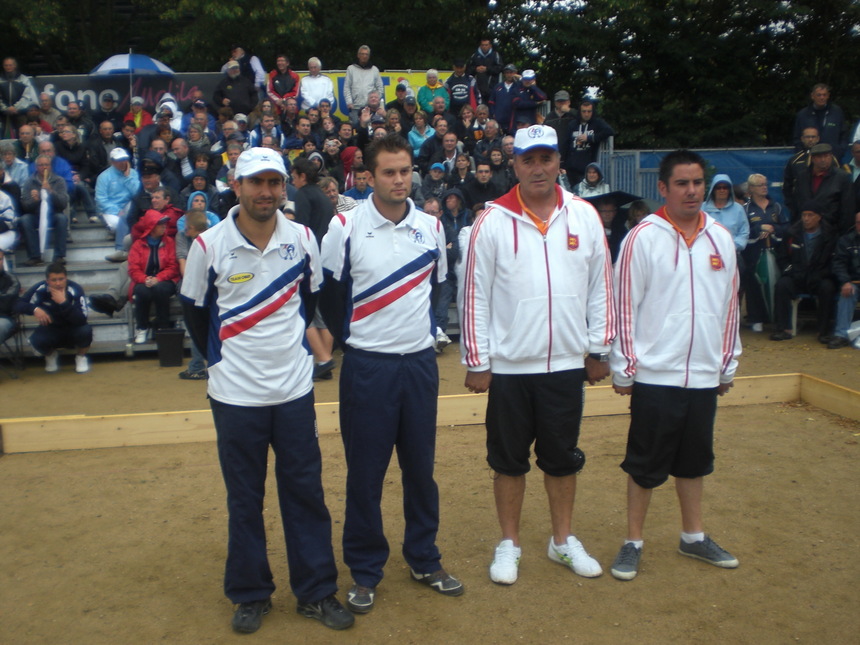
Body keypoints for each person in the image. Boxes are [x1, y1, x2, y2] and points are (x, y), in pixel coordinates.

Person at [181, 147, 353, 634]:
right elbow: (194, 311)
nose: (266, 192)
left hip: (294, 389)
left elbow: (310, 300)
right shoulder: (209, 245)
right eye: (256, 182)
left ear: (285, 187)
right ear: (236, 186)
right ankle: (251, 593)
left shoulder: (302, 238)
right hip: (235, 396)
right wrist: (220, 361)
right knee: (244, 498)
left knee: (305, 493)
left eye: (274, 182)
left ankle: (316, 592)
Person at [459, 124, 614, 585]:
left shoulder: (584, 215)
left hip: (566, 364)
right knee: (508, 461)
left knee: (561, 458)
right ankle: (509, 543)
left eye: (546, 158)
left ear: (558, 162)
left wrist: (599, 348)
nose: (539, 167)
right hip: (508, 368)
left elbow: (600, 288)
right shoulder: (490, 220)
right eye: (529, 159)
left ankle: (562, 540)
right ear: (516, 164)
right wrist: (477, 360)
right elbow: (474, 297)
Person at [320, 134, 463, 614]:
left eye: (405, 171)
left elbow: (437, 288)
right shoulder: (344, 226)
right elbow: (330, 296)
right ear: (369, 176)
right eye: (388, 172)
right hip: (368, 368)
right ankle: (364, 571)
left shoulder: (431, 227)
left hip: (420, 367)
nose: (399, 180)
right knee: (366, 475)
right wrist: (359, 342)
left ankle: (424, 558)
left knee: (421, 472)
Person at [608, 149, 741, 581]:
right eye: (682, 183)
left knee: (694, 460)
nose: (692, 191)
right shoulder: (641, 238)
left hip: (703, 372)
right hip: (655, 374)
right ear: (662, 188)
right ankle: (633, 541)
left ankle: (693, 536)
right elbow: (624, 307)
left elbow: (729, 309)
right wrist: (625, 367)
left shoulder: (721, 238)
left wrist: (726, 365)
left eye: (698, 182)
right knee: (645, 464)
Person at [770, 202, 838, 343]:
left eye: (810, 215)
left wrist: (821, 274)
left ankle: (823, 331)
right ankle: (783, 329)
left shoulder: (829, 235)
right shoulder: (791, 233)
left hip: (819, 277)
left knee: (828, 287)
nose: (806, 218)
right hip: (797, 276)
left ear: (819, 217)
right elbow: (782, 258)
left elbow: (834, 262)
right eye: (804, 215)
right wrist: (791, 271)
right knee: (782, 285)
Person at [16, 261, 92, 373]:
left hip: (73, 328)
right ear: (47, 281)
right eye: (54, 280)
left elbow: (81, 319)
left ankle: (80, 357)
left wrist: (64, 303)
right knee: (37, 342)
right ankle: (51, 355)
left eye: (61, 279)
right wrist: (34, 309)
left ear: (66, 278)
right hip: (50, 327)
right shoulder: (41, 289)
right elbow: (18, 304)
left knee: (86, 330)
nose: (58, 283)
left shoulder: (75, 289)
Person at [742, 174, 787, 332]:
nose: (764, 187)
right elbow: (743, 231)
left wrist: (774, 228)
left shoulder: (776, 207)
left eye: (765, 184)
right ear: (751, 189)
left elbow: (786, 227)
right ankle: (756, 318)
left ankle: (776, 318)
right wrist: (759, 228)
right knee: (754, 285)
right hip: (754, 254)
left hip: (774, 252)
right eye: (760, 185)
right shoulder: (746, 209)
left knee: (776, 284)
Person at [19, 155, 69, 266]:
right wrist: (35, 201)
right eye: (41, 165)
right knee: (25, 219)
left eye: (46, 164)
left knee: (62, 218)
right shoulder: (29, 182)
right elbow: (25, 206)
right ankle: (35, 256)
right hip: (36, 215)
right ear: (36, 167)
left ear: (50, 166)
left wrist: (51, 192)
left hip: (53, 214)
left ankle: (59, 256)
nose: (44, 167)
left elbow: (63, 204)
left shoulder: (59, 181)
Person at [827, 210, 860, 349]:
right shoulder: (846, 240)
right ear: (855, 224)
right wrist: (845, 281)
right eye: (859, 223)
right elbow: (838, 264)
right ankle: (841, 335)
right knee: (847, 292)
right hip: (854, 283)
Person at [563, 99, 614, 186]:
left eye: (589, 111)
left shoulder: (597, 123)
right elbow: (566, 144)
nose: (586, 114)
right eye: (584, 111)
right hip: (571, 168)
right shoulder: (572, 124)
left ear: (592, 111)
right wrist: (563, 165)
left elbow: (609, 131)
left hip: (588, 169)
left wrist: (590, 138)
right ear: (580, 112)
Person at [792, 83, 848, 161]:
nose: (822, 97)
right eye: (819, 95)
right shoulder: (803, 115)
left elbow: (844, 136)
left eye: (824, 95)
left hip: (833, 159)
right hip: (810, 160)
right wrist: (804, 156)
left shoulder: (837, 112)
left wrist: (839, 152)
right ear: (812, 96)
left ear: (828, 96)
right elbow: (797, 138)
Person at [702, 174, 749, 253]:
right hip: (707, 253)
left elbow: (744, 231)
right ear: (713, 190)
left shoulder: (738, 209)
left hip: (732, 253)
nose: (722, 190)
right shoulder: (702, 208)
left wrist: (734, 246)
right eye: (718, 188)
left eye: (725, 188)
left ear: (729, 190)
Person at [343, 46, 384, 124]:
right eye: (362, 54)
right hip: (355, 106)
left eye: (366, 54)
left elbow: (380, 88)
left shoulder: (374, 70)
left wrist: (375, 100)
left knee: (371, 128)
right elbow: (347, 87)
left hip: (371, 107)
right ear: (358, 55)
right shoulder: (351, 69)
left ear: (369, 56)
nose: (364, 56)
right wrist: (349, 102)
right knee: (356, 128)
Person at [467, 38, 504, 105]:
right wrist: (476, 69)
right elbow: (468, 69)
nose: (484, 47)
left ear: (490, 46)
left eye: (486, 45)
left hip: (492, 88)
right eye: (483, 45)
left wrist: (487, 69)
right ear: (480, 46)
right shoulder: (474, 56)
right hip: (478, 89)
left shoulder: (495, 55)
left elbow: (500, 68)